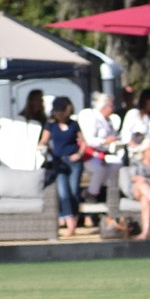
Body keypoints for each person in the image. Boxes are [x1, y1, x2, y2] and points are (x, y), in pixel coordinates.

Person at [39, 96, 85, 237]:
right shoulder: (50, 125)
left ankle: (74, 219)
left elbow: (83, 142)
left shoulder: (73, 124)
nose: (58, 114)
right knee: (63, 192)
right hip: (59, 163)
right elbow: (43, 141)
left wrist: (79, 154)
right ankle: (70, 223)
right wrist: (44, 149)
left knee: (73, 191)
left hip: (74, 161)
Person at [83, 92, 121, 204]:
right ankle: (91, 193)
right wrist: (104, 141)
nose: (112, 108)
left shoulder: (108, 121)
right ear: (104, 107)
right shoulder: (93, 119)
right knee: (100, 168)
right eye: (111, 106)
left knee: (117, 163)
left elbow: (115, 135)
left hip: (105, 153)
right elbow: (89, 140)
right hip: (91, 154)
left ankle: (104, 190)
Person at [121, 87, 150, 156]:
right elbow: (125, 134)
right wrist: (134, 145)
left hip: (144, 150)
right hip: (131, 151)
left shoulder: (147, 118)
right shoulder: (133, 113)